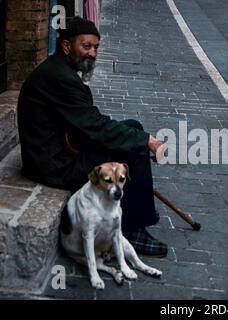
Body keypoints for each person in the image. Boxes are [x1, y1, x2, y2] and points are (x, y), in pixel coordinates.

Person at [17, 16, 168, 257]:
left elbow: (86, 121)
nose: (92, 53)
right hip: (54, 165)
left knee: (133, 128)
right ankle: (132, 229)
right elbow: (95, 125)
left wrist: (137, 135)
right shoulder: (59, 77)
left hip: (63, 147)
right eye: (86, 46)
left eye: (96, 47)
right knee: (134, 147)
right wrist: (147, 141)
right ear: (67, 46)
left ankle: (137, 209)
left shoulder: (60, 69)